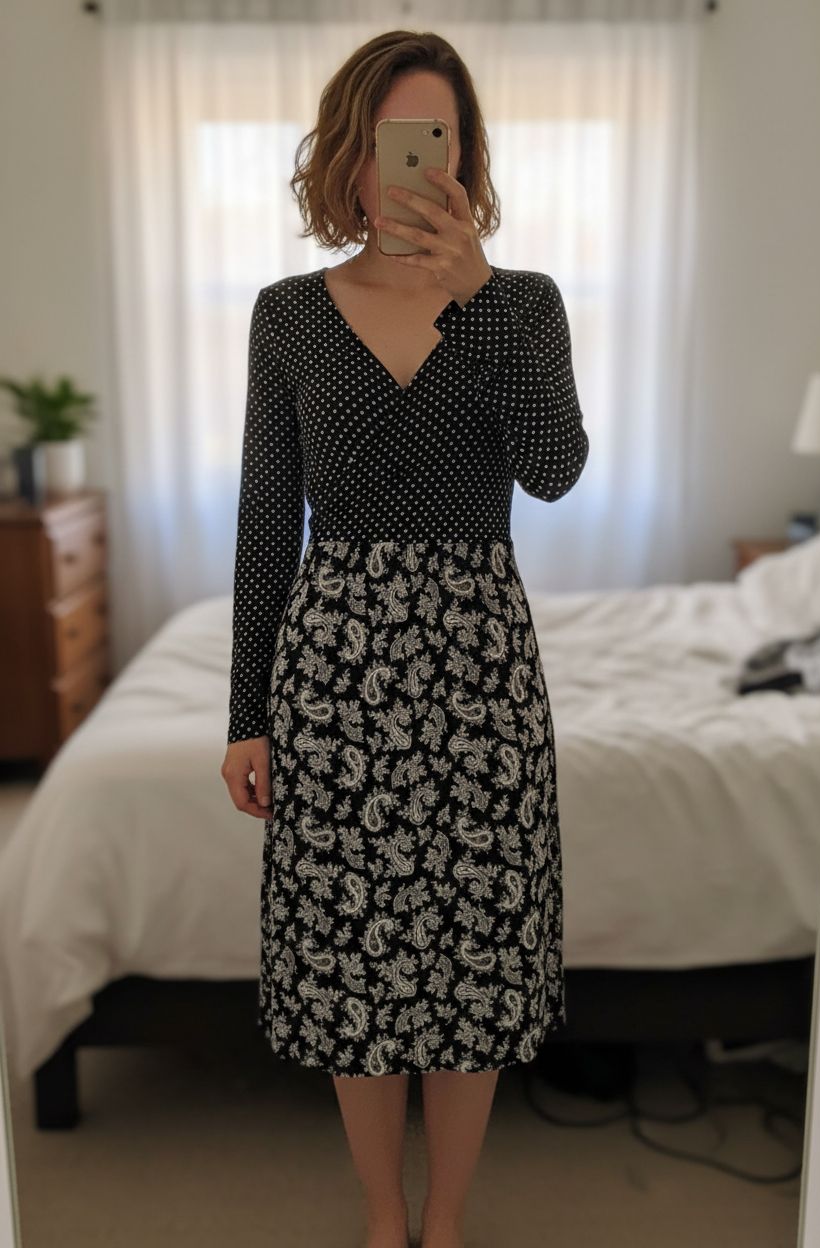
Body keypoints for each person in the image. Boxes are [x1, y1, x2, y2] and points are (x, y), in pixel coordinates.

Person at [220, 28, 589, 1248]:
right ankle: (384, 1218)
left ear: (465, 158)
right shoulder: (288, 317)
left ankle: (449, 1217)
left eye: (439, 141)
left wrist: (475, 297)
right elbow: (269, 524)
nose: (414, 169)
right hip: (334, 668)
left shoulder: (521, 305)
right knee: (349, 959)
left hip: (479, 665)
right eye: (393, 142)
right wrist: (246, 714)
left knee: (476, 958)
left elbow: (553, 472)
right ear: (354, 154)